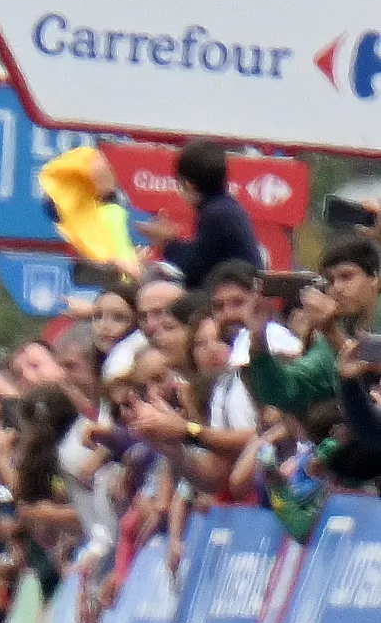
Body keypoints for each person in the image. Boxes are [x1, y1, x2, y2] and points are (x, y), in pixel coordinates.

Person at [245, 238, 381, 417]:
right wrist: (258, 337)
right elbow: (289, 390)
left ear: (375, 278)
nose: (337, 288)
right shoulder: (337, 330)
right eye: (330, 281)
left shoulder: (333, 329)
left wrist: (331, 331)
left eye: (347, 276)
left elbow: (372, 367)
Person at [140, 140, 263, 291]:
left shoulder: (215, 214)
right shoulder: (227, 208)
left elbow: (192, 269)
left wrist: (167, 243)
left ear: (187, 184)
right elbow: (205, 254)